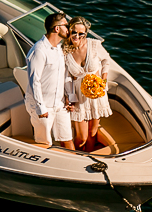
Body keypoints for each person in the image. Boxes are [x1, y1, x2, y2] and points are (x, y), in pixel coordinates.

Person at [24, 12, 75, 149]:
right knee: (44, 144)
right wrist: (41, 108)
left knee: (67, 139)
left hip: (59, 104)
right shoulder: (39, 50)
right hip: (43, 105)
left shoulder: (59, 49)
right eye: (66, 26)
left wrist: (69, 97)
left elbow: (63, 76)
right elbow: (34, 81)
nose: (69, 29)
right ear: (57, 29)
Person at [63, 16, 113, 152]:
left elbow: (106, 60)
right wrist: (70, 97)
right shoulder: (65, 51)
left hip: (96, 93)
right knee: (82, 137)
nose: (77, 36)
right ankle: (75, 157)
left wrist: (103, 80)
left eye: (81, 33)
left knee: (92, 133)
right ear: (69, 31)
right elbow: (67, 78)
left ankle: (88, 158)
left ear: (86, 33)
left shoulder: (94, 45)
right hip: (79, 97)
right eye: (74, 32)